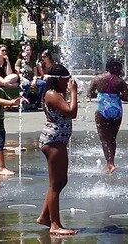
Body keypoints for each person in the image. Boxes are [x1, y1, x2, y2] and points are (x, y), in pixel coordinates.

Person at [36, 64, 78, 236]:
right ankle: (55, 225)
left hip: (58, 140)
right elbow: (71, 111)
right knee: (55, 184)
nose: (69, 83)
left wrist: (69, 92)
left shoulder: (56, 93)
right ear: (60, 80)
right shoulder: (52, 94)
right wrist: (74, 92)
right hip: (54, 141)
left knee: (61, 181)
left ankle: (45, 216)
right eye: (67, 80)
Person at [87, 58, 128, 173]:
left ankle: (109, 164)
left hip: (102, 110)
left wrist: (102, 96)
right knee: (112, 138)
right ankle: (112, 162)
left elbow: (89, 94)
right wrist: (116, 96)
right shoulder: (120, 81)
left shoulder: (97, 79)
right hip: (116, 110)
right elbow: (127, 97)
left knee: (104, 139)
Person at [16, 44, 46, 109]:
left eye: (30, 50)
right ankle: (23, 102)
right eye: (27, 50)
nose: (29, 52)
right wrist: (24, 79)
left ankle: (39, 101)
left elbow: (35, 74)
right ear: (23, 51)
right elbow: (18, 73)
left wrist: (34, 80)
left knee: (43, 83)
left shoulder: (33, 62)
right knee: (25, 85)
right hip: (23, 80)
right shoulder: (20, 61)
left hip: (32, 80)